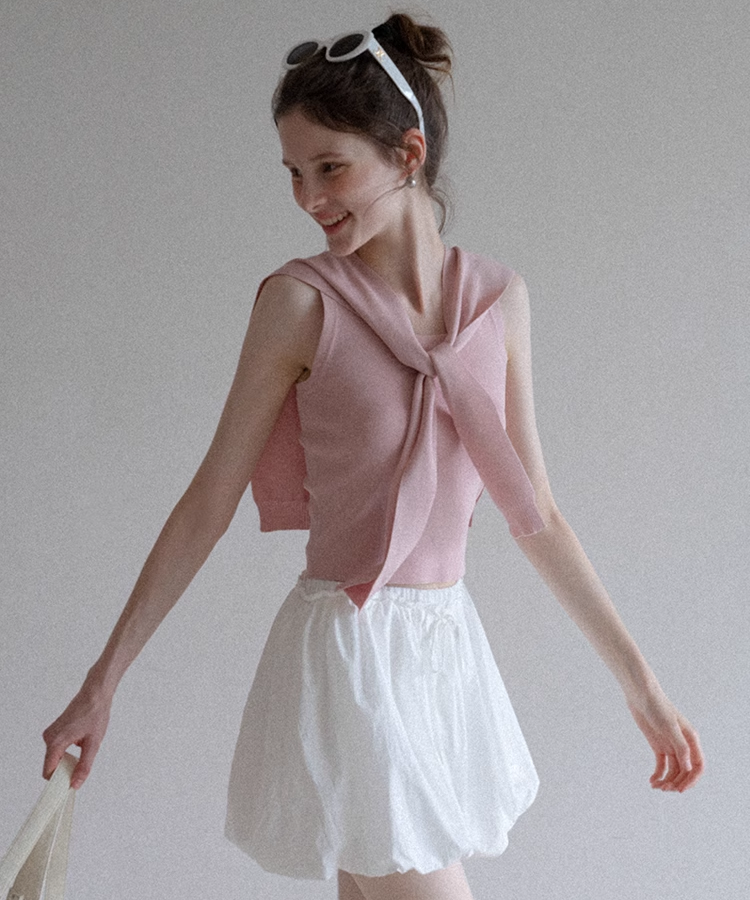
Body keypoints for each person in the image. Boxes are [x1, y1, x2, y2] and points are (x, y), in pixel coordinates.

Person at [41, 14, 704, 900]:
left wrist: (643, 687)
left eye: (330, 167)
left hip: (444, 657)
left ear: (408, 154)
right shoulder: (299, 304)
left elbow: (537, 515)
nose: (308, 197)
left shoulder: (499, 302)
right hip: (350, 656)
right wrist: (102, 682)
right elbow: (208, 502)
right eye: (293, 173)